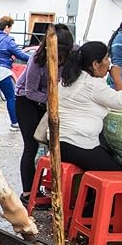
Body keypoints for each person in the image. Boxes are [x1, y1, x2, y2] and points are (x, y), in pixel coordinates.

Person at [15, 24, 74, 206]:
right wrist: (53, 99)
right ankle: (27, 193)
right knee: (31, 146)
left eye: (64, 53)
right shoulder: (37, 60)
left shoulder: (73, 53)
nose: (61, 58)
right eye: (58, 52)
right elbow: (30, 91)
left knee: (53, 145)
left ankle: (45, 189)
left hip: (49, 103)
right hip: (27, 101)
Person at [58, 41, 122, 171]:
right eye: (107, 58)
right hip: (77, 144)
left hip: (60, 142)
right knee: (120, 172)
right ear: (95, 64)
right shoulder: (92, 84)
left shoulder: (67, 80)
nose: (109, 63)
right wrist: (117, 77)